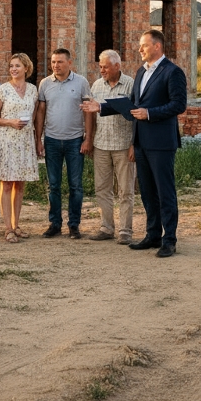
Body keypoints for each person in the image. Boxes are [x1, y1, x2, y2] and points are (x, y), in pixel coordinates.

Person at [82, 30, 186, 257]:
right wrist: (100, 107)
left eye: (144, 45)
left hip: (161, 142)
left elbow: (179, 105)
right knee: (148, 193)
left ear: (157, 46)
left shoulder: (173, 72)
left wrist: (149, 113)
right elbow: (131, 105)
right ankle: (152, 235)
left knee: (164, 192)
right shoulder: (141, 72)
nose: (140, 50)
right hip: (141, 142)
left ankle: (169, 240)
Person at [34, 49, 93, 239]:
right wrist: (39, 139)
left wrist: (88, 138)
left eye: (60, 62)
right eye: (53, 62)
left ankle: (74, 225)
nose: (55, 65)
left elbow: (88, 111)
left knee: (75, 185)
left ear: (69, 62)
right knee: (54, 185)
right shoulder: (45, 84)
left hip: (75, 140)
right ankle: (55, 224)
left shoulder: (81, 82)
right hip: (51, 140)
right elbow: (41, 112)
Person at [85, 50, 136, 245]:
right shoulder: (97, 85)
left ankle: (125, 230)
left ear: (117, 66)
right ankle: (106, 227)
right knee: (102, 188)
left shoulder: (131, 84)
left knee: (126, 190)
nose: (102, 70)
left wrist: (134, 145)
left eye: (105, 66)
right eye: (100, 66)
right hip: (101, 145)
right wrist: (88, 139)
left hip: (123, 146)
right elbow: (90, 114)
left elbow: (135, 118)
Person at [0, 53, 39, 244]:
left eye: (17, 66)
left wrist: (36, 138)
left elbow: (34, 116)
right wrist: (10, 122)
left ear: (26, 68)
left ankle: (16, 225)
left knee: (20, 184)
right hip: (8, 139)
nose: (13, 69)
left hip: (25, 140)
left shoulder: (33, 90)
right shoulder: (2, 90)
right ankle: (8, 228)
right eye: (11, 66)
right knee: (7, 183)